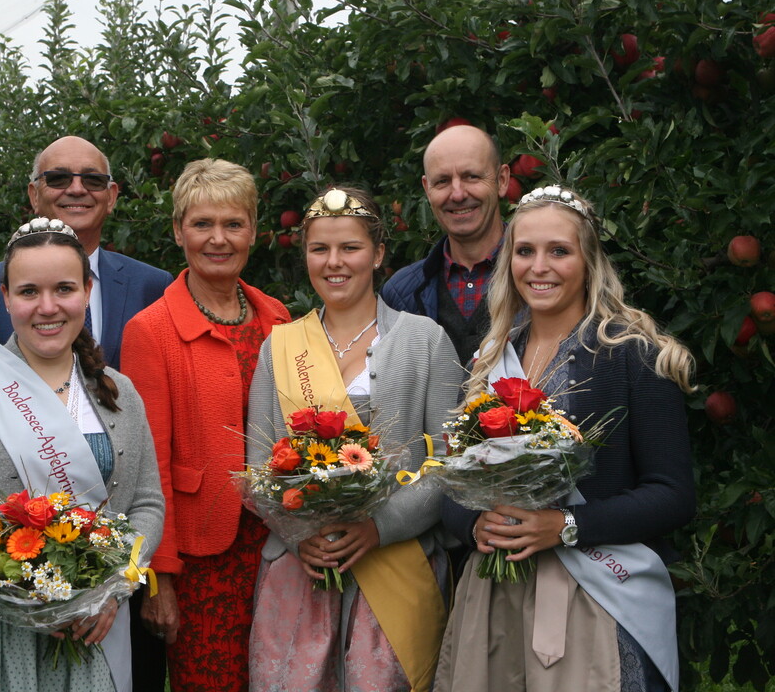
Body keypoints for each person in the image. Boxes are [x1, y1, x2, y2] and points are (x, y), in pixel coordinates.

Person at [434, 186, 696, 692]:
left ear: (588, 260)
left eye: (559, 251)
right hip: (497, 594)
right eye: (525, 251)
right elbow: (453, 481)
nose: (539, 267)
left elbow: (674, 495)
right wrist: (473, 525)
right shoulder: (489, 358)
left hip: (598, 595)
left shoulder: (634, 355)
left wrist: (564, 524)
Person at [0, 217, 165, 692]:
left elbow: (147, 504)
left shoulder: (118, 392)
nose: (47, 307)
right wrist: (11, 584)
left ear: (88, 291)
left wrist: (111, 592)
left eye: (64, 289)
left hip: (90, 623)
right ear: (5, 297)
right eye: (28, 292)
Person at [245, 187, 463, 692]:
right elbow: (257, 469)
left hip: (396, 564)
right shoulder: (279, 346)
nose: (334, 262)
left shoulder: (424, 341)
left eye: (350, 248)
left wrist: (378, 527)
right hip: (302, 567)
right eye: (320, 249)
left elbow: (450, 462)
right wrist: (302, 536)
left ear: (379, 254)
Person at [120, 158, 291, 692]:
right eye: (202, 224)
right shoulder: (150, 331)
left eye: (233, 224)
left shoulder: (279, 319)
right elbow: (146, 467)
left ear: (254, 233)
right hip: (199, 561)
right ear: (178, 231)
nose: (218, 239)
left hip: (281, 546)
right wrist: (158, 580)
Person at [0, 135, 172, 371]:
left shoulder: (152, 286)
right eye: (59, 179)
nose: (77, 189)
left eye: (93, 180)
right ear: (34, 195)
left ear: (111, 197)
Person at [381, 124, 510, 364]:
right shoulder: (400, 294)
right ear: (427, 189)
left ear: (502, 180)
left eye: (471, 176)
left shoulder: (542, 277)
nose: (458, 194)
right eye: (442, 181)